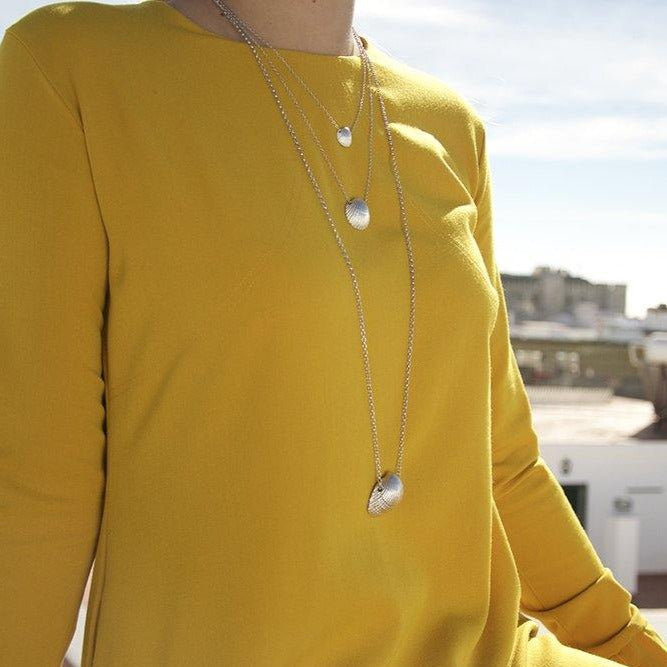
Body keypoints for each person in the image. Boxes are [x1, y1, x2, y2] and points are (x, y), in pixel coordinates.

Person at [0, 1, 665, 665]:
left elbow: (502, 459)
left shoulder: (450, 123)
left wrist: (632, 645)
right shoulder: (72, 63)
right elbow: (39, 473)